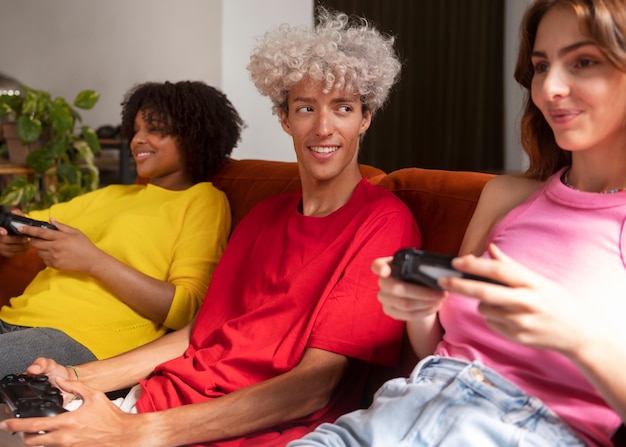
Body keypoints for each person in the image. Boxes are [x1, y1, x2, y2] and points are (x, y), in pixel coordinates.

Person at [0, 8, 421, 447]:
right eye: (305, 108)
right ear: (284, 119)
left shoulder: (383, 222)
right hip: (152, 401)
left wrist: (136, 431)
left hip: (206, 428)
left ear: (365, 118)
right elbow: (192, 337)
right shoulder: (264, 216)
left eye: (343, 108)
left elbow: (315, 386)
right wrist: (72, 377)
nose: (323, 127)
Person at [288, 1, 626, 446]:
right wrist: (421, 309)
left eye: (583, 62)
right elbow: (441, 348)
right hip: (396, 413)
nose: (550, 89)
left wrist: (575, 337)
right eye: (542, 66)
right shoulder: (508, 197)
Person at [0, 80, 243, 376]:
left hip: (84, 336)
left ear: (194, 135)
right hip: (15, 318)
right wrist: (9, 230)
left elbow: (187, 309)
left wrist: (92, 260)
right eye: (136, 130)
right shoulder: (113, 195)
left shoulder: (202, 200)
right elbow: (28, 221)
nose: (137, 140)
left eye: (154, 129)